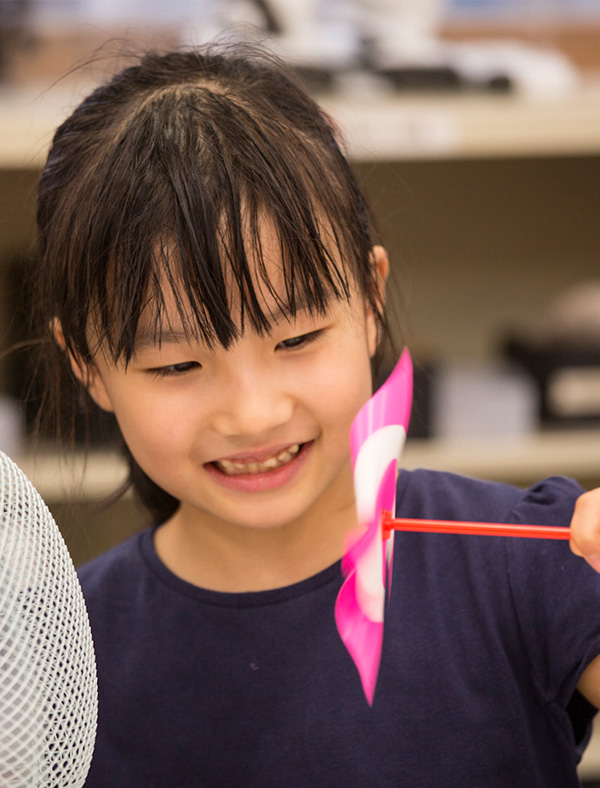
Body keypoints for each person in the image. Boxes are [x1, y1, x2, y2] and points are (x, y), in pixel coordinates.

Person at [31, 44, 600, 787]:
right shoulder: (59, 662)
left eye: (295, 339)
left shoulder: (529, 562)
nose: (252, 412)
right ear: (86, 365)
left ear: (369, 299)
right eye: (177, 366)